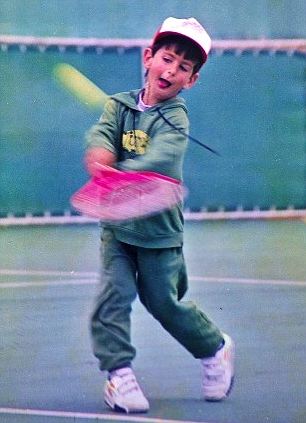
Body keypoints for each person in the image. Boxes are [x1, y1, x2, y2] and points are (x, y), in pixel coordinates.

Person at [84, 16, 235, 414]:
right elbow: (101, 136)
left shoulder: (177, 117)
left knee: (164, 304)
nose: (171, 70)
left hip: (159, 233)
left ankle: (214, 348)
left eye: (184, 67)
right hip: (117, 227)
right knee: (112, 299)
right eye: (167, 59)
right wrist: (100, 157)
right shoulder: (117, 106)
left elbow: (163, 159)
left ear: (192, 80)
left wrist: (123, 174)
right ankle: (118, 375)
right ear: (148, 58)